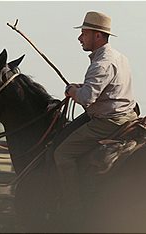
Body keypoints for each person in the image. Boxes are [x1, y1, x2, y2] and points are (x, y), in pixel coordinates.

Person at [53, 11, 138, 212]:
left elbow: (86, 98)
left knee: (62, 153)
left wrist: (73, 91)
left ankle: (72, 207)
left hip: (108, 121)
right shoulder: (119, 57)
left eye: (84, 33)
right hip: (128, 115)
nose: (80, 37)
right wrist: (81, 86)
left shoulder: (101, 63)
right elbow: (107, 87)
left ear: (97, 36)